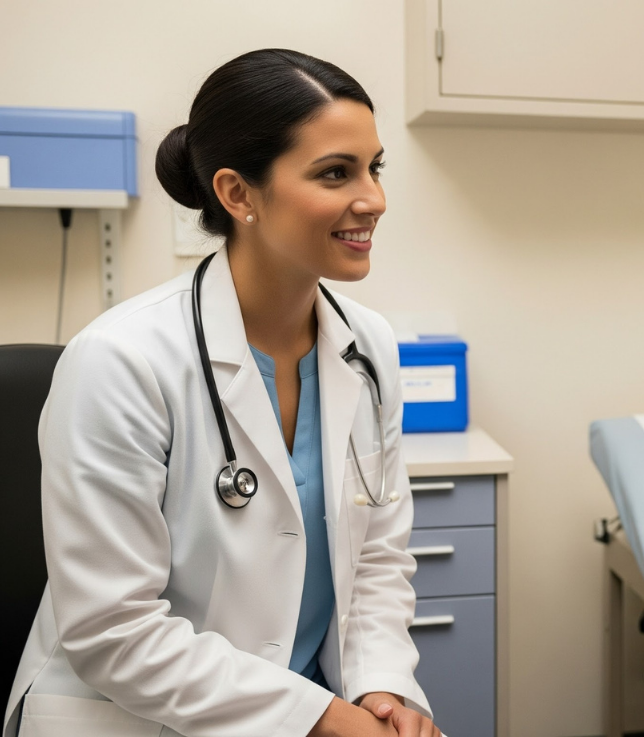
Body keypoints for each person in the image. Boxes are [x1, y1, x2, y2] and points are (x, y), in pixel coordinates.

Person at [3, 50, 442, 737]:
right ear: (239, 195)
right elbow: (112, 629)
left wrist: (382, 687)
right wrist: (319, 716)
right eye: (336, 172)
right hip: (134, 718)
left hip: (319, 707)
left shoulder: (369, 347)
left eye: (374, 167)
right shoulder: (122, 360)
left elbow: (380, 556)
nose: (374, 199)